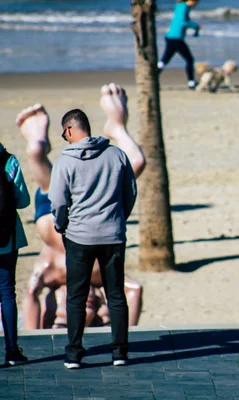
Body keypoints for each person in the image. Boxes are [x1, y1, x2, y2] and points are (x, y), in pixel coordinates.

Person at [16, 85, 145, 331]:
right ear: (100, 306)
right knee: (134, 163)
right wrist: (118, 218)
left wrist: (34, 335)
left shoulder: (51, 271)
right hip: (88, 221)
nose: (88, 306)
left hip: (59, 219)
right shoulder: (98, 275)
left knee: (51, 180)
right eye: (92, 310)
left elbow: (31, 295)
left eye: (62, 317)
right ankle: (116, 126)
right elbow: (134, 290)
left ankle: (36, 149)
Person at [47, 85, 138, 369]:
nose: (64, 138)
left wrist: (62, 225)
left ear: (70, 130)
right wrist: (118, 218)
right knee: (116, 296)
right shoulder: (117, 155)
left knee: (76, 295)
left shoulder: (65, 161)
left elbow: (58, 202)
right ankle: (120, 353)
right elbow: (130, 192)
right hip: (112, 234)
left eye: (64, 133)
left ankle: (74, 354)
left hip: (79, 237)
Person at [0, 143, 30, 366]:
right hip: (7, 238)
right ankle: (12, 350)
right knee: (7, 293)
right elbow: (23, 200)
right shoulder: (9, 161)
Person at [157, 0, 201, 90]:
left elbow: (182, 20)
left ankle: (152, 79)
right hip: (176, 38)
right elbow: (183, 22)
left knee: (164, 60)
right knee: (189, 59)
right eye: (196, 2)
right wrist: (195, 25)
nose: (197, 4)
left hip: (171, 36)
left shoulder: (180, 6)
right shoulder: (184, 7)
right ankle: (191, 83)